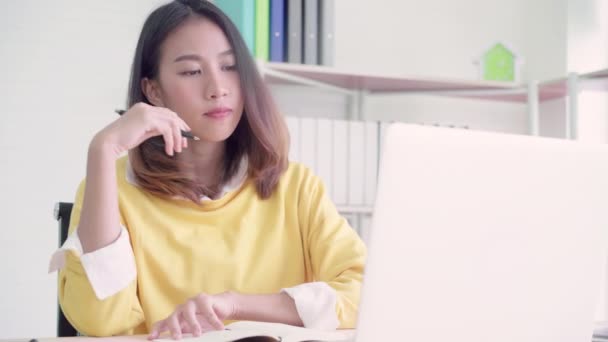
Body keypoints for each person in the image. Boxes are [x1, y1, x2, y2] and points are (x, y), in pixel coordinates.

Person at [48, 0, 366, 339]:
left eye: (229, 66)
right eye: (191, 72)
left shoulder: (297, 187)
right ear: (153, 91)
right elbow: (100, 322)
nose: (218, 88)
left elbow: (364, 295)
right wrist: (102, 150)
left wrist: (235, 305)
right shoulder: (113, 190)